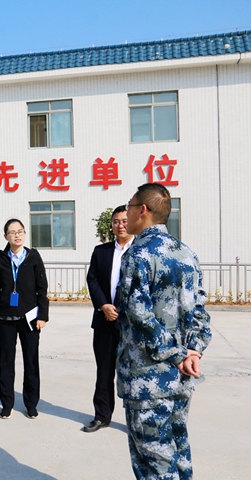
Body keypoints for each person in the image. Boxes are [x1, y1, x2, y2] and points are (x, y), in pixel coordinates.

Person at [117, 183, 212, 479]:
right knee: (179, 453)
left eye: (130, 207)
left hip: (148, 379)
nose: (126, 214)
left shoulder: (138, 254)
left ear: (142, 211)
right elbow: (200, 310)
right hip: (181, 378)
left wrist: (177, 354)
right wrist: (193, 350)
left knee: (154, 463)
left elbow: (138, 314)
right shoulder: (186, 253)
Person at [0, 218, 49, 419]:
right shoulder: (0, 260)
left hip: (30, 319)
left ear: (25, 233)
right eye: (12, 232)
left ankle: (31, 404)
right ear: (6, 236)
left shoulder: (33, 257)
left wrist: (42, 316)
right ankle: (7, 403)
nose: (17, 235)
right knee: (6, 362)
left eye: (20, 231)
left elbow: (42, 289)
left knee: (31, 362)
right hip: (6, 318)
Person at [83, 205, 134, 433]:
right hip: (104, 321)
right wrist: (103, 305)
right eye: (116, 221)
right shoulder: (101, 251)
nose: (120, 225)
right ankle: (102, 416)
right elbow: (92, 279)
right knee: (104, 372)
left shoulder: (141, 251)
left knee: (132, 373)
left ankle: (135, 421)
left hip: (131, 324)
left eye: (124, 221)